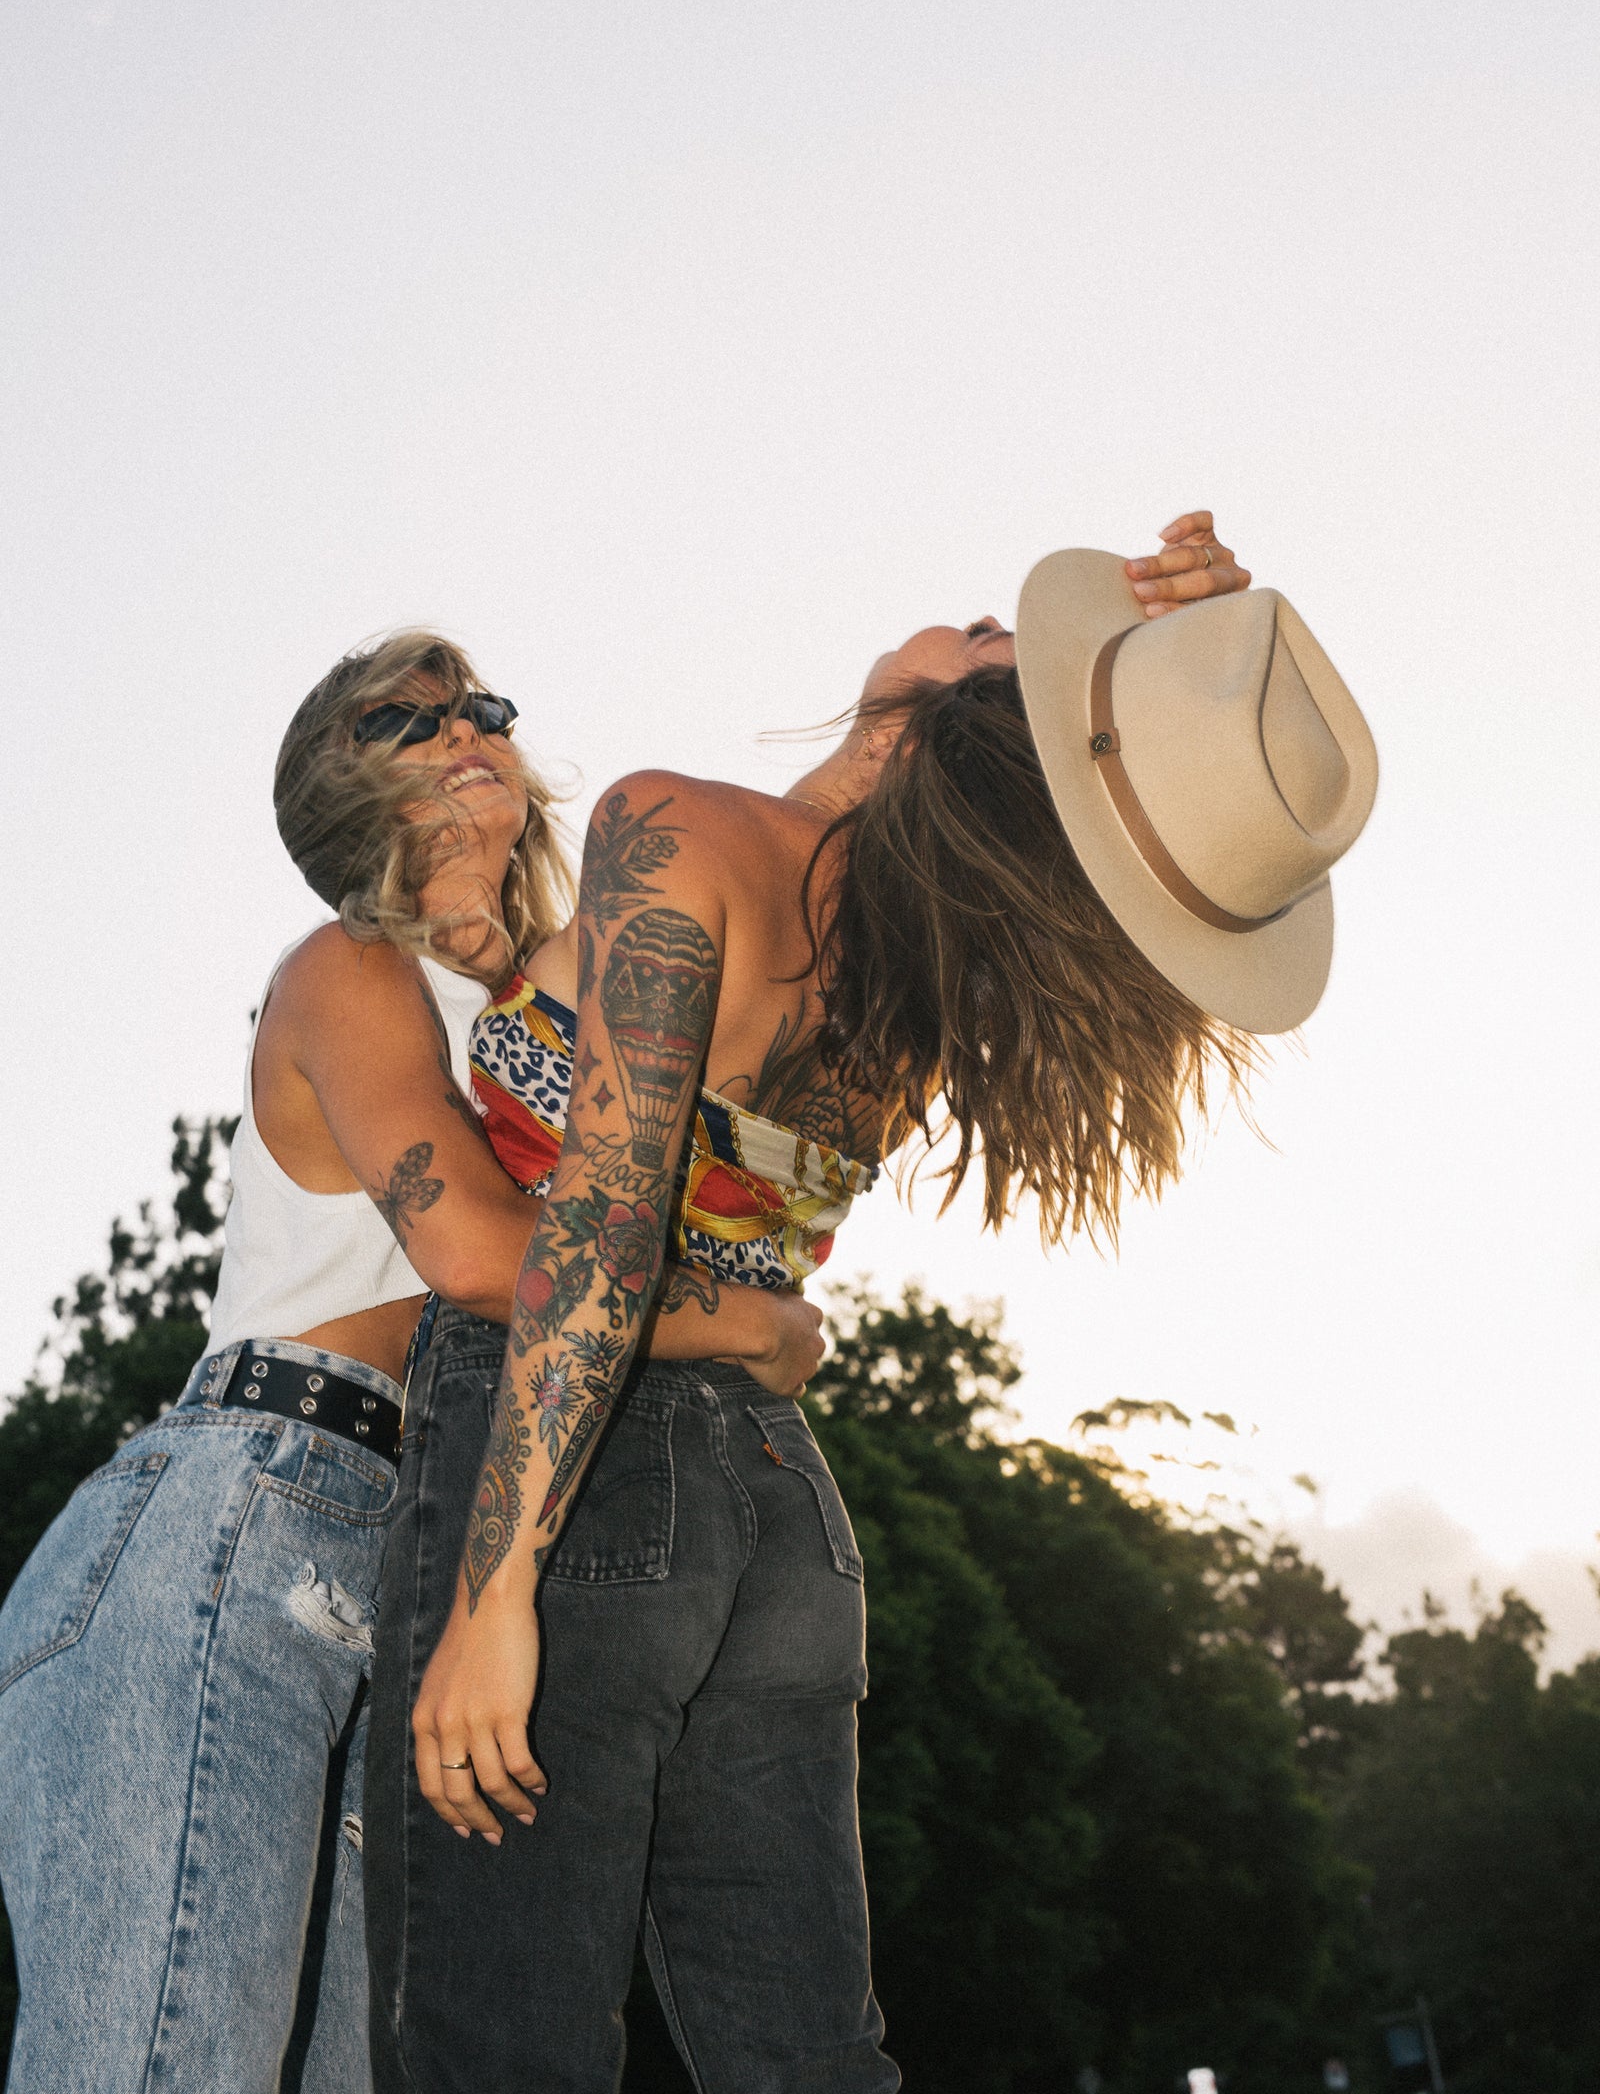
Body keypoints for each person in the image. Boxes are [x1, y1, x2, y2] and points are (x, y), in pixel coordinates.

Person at [370, 514, 1376, 2092]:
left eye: (1004, 657)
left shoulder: (678, 831)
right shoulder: (906, 1005)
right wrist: (1179, 668)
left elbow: (605, 1233)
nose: (991, 618)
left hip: (581, 1481)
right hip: (777, 1517)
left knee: (499, 2049)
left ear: (977, 738)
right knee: (806, 2064)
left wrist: (499, 1594)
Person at [0, 631, 820, 2094]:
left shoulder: (570, 1017)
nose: (468, 732)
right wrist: (741, 1321)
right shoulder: (347, 970)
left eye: (485, 710)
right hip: (244, 1517)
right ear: (335, 784)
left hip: (433, 1545)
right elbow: (488, 1259)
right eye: (411, 717)